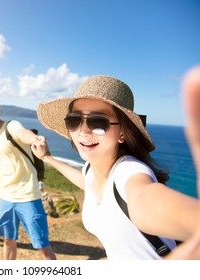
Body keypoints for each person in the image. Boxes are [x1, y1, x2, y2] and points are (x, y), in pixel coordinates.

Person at [31, 71, 200, 260]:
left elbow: (143, 197)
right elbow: (86, 182)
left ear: (122, 134)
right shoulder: (92, 169)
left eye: (98, 122)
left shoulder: (129, 174)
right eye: (74, 120)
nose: (83, 130)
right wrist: (46, 158)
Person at [0, 95, 56, 260]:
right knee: (8, 240)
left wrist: (34, 139)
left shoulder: (11, 126)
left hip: (28, 196)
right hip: (6, 197)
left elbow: (23, 134)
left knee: (42, 246)